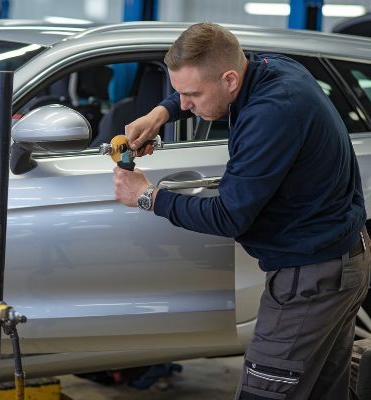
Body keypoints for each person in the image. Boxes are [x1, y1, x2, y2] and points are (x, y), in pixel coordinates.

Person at [113, 22, 370, 400]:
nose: (185, 103)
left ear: (230, 80)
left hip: (312, 278)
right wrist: (161, 113)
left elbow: (230, 215)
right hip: (341, 261)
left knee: (263, 392)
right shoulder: (274, 68)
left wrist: (148, 196)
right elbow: (193, 94)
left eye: (191, 95)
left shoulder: (271, 114)